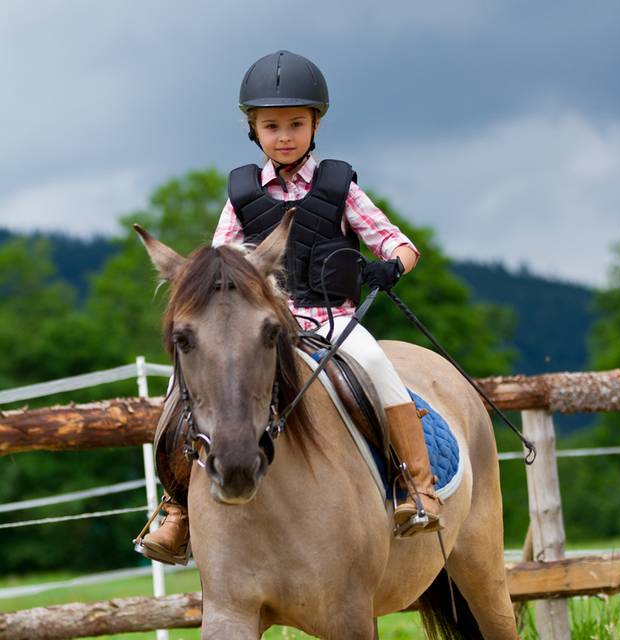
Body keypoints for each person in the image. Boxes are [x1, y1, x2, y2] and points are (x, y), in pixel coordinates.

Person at [138, 50, 441, 566]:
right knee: (178, 388)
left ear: (315, 124)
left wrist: (392, 265)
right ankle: (176, 509)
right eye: (271, 125)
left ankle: (418, 486)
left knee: (377, 368)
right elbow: (219, 262)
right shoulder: (240, 194)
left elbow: (401, 244)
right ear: (253, 130)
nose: (284, 136)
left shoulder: (340, 186)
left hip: (332, 323)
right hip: (261, 328)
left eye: (296, 124)